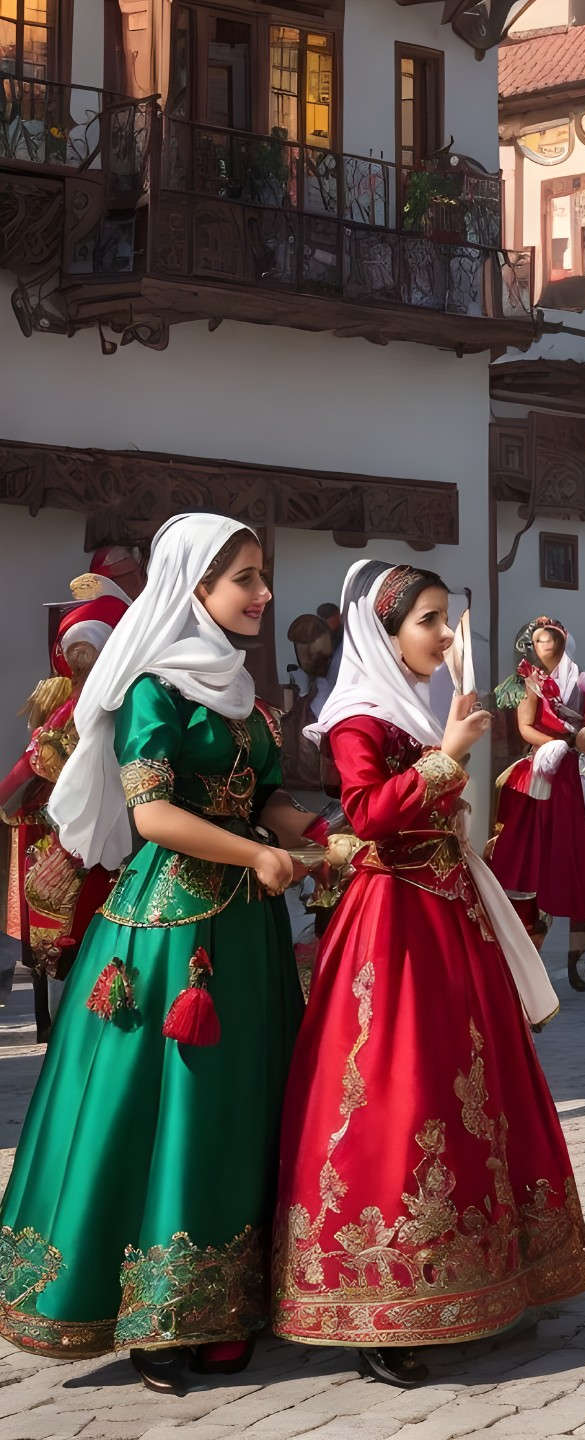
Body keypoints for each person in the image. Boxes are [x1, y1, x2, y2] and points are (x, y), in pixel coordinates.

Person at [0, 515, 324, 1389]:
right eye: (245, 579)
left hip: (246, 935)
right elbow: (151, 818)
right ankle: (157, 1317)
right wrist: (258, 853)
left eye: (261, 576)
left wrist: (323, 835)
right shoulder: (155, 689)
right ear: (195, 589)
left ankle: (232, 1298)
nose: (262, 594)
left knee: (240, 1105)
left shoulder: (238, 692)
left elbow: (266, 794)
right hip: (176, 934)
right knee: (174, 1106)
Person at [272, 562, 585, 1382]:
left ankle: (484, 1275)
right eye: (429, 620)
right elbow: (370, 814)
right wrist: (446, 758)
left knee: (473, 1089)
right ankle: (386, 1304)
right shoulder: (357, 715)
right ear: (385, 631)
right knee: (395, 1087)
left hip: (451, 912)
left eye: (447, 619)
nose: (446, 635)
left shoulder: (413, 704)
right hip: (395, 923)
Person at [2, 591, 126, 1033]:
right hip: (60, 833)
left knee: (81, 933)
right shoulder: (68, 704)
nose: (80, 663)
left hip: (97, 833)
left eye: (88, 652)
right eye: (75, 654)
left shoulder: (101, 702)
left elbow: (30, 768)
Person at [487, 618, 585, 990]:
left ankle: (581, 962)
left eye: (549, 638)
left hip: (576, 775)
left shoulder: (582, 682)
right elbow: (525, 726)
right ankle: (528, 962)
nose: (543, 644)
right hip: (547, 774)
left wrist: (584, 738)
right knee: (541, 862)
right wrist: (559, 739)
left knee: (581, 863)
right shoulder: (529, 680)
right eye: (537, 639)